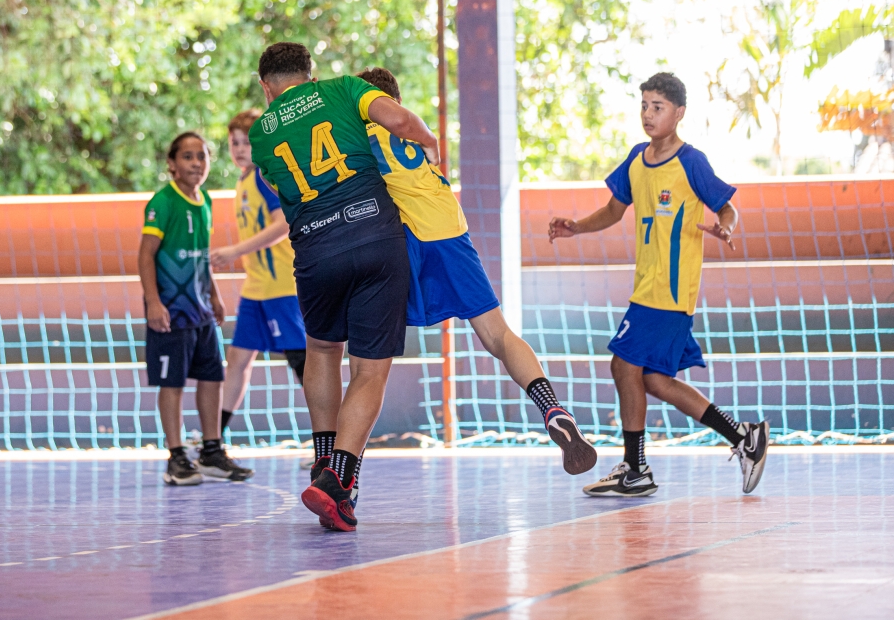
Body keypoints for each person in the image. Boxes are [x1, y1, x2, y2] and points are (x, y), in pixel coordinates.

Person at [355, 68, 597, 477]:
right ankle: (552, 407)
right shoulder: (413, 131)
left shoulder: (356, 133)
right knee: (498, 335)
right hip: (450, 228)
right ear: (396, 100)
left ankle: (344, 467)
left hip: (404, 237)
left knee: (369, 362)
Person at [548, 72, 769, 497]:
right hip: (647, 286)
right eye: (644, 105)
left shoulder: (691, 161)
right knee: (654, 380)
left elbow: (727, 208)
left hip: (671, 289)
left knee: (622, 365)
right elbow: (613, 210)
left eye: (658, 107)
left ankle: (636, 468)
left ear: (679, 113)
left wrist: (725, 227)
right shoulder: (637, 158)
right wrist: (576, 226)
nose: (648, 114)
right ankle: (744, 437)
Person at [249, 42, 437, 532]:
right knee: (370, 370)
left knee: (321, 350)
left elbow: (280, 185)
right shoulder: (345, 89)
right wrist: (430, 143)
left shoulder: (261, 133)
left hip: (314, 251)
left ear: (266, 87)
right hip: (374, 236)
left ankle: (323, 455)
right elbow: (399, 121)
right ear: (311, 75)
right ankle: (339, 479)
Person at [139, 132, 254, 486]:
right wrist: (154, 302)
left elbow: (201, 255)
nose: (196, 163)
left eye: (201, 156)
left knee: (212, 378)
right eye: (187, 157)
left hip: (200, 310)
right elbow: (145, 255)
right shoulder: (163, 202)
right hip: (171, 312)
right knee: (172, 383)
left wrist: (214, 296)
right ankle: (176, 457)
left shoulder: (204, 201)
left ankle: (211, 451)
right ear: (172, 164)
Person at [209, 109, 307, 442]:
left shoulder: (266, 177)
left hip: (282, 286)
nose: (239, 149)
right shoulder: (244, 181)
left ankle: (330, 442)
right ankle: (213, 439)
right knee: (237, 359)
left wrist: (235, 251)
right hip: (256, 288)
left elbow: (284, 224)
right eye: (234, 142)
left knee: (302, 362)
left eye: (246, 142)